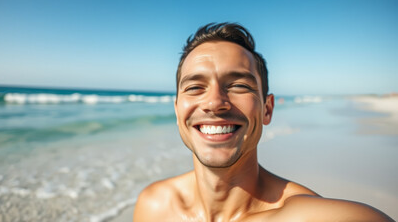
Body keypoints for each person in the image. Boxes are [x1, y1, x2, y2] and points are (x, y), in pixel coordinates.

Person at [133, 23, 393, 221]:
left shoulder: (302, 214)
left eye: (238, 85)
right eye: (195, 87)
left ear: (267, 109)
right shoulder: (155, 206)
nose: (214, 102)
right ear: (177, 110)